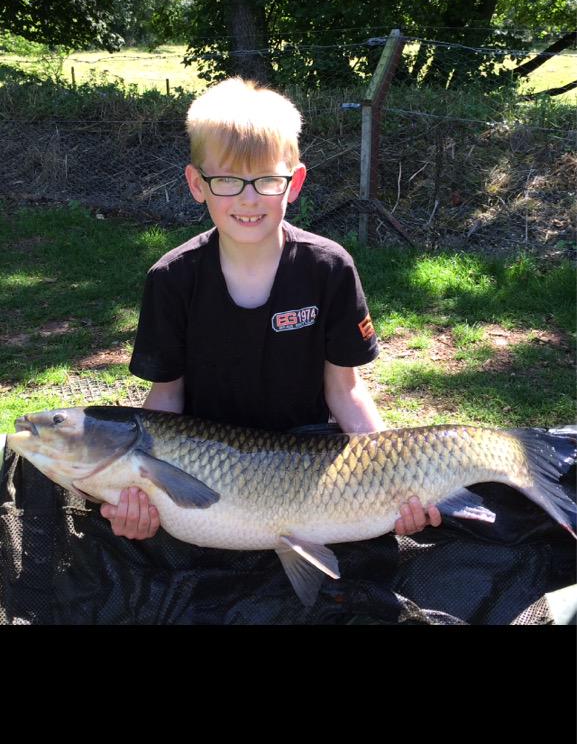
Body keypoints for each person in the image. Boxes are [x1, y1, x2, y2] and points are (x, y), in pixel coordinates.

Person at [101, 78, 441, 541]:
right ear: (196, 184)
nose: (247, 198)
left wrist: (396, 480)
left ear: (294, 182)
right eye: (225, 181)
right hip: (210, 479)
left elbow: (346, 391)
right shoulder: (171, 279)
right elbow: (166, 400)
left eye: (266, 180)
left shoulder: (329, 268)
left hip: (313, 468)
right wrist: (137, 494)